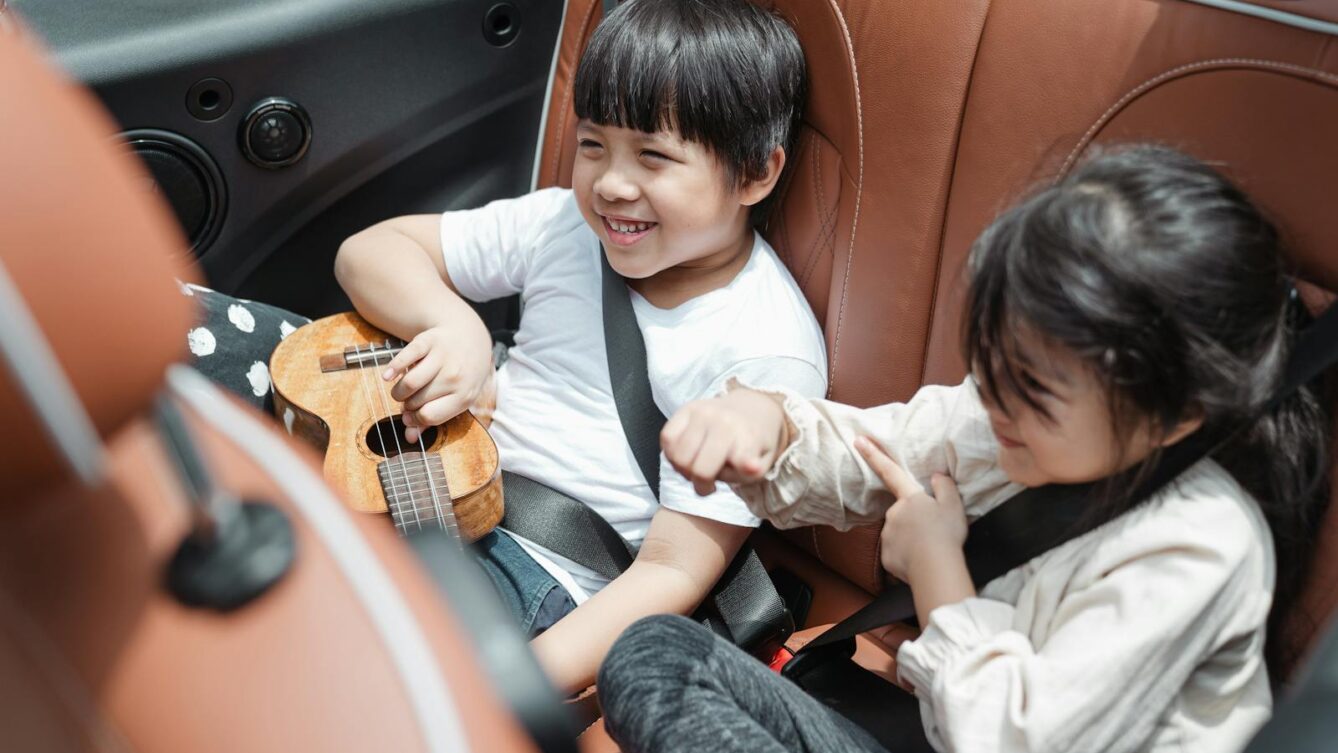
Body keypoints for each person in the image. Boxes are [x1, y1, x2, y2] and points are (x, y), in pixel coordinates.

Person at [597, 145, 1331, 753]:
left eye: (1034, 385)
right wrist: (763, 424)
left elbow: (1015, 740)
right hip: (933, 723)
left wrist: (934, 566)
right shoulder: (1000, 416)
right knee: (655, 656)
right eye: (991, 358)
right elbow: (870, 450)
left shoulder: (1200, 544)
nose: (993, 395)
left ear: (1176, 413)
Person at [333, 0, 825, 695]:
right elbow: (369, 251)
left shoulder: (764, 351)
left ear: (754, 174)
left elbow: (671, 571)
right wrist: (455, 325)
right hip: (439, 486)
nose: (611, 184)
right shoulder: (564, 224)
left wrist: (508, 688)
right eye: (593, 145)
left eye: (653, 156)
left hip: (540, 572)